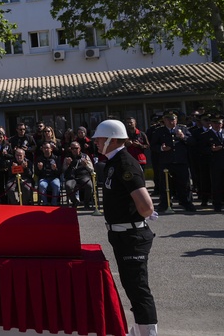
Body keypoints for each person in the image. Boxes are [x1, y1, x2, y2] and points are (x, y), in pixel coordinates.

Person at [92, 119, 158, 336]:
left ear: (112, 139)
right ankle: (139, 329)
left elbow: (146, 206)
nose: (96, 142)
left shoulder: (125, 163)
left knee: (138, 289)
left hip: (132, 235)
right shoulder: (113, 162)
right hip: (121, 234)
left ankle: (149, 332)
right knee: (131, 286)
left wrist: (144, 214)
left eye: (100, 138)